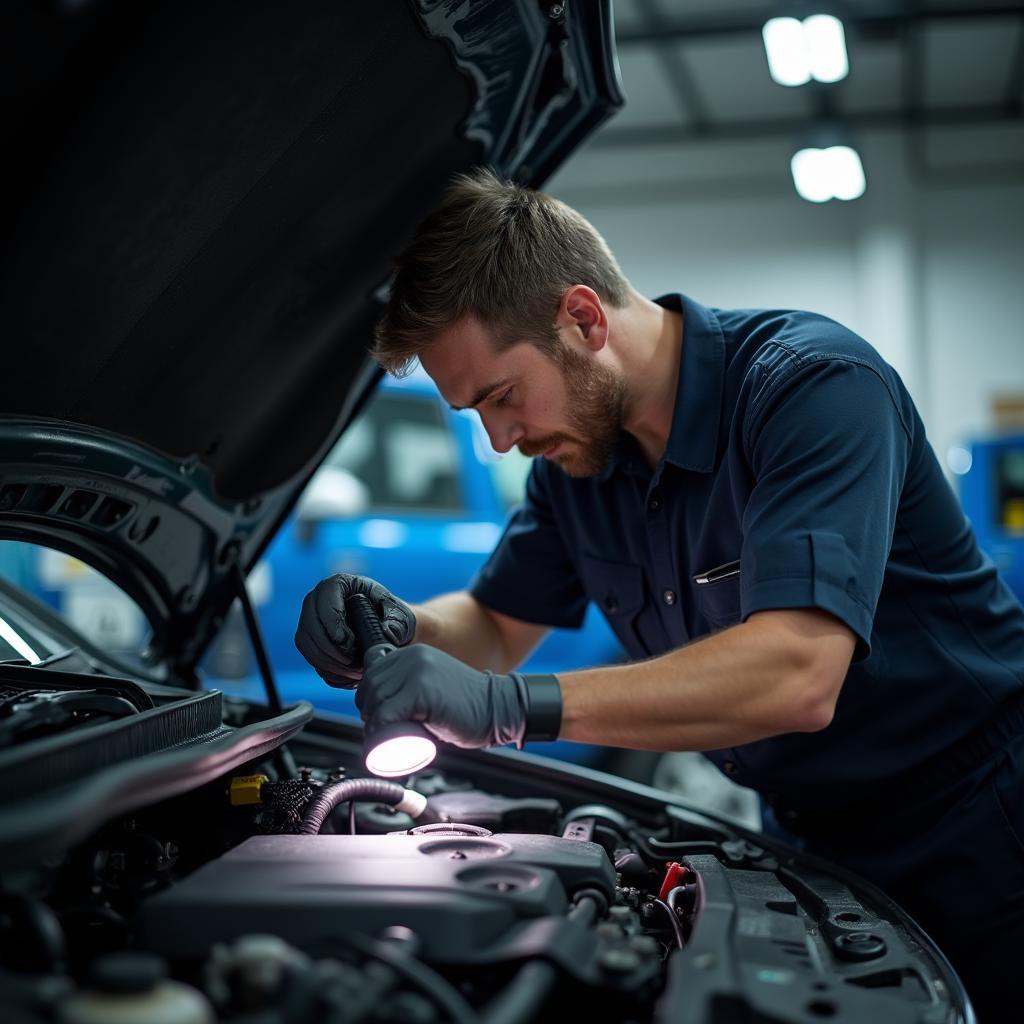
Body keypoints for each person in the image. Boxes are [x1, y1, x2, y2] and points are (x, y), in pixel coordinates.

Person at [295, 168, 1024, 1018]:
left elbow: (797, 672)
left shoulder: (811, 389)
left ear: (583, 319)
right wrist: (398, 623)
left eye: (500, 398)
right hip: (815, 843)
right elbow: (494, 626)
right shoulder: (580, 465)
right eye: (474, 416)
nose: (499, 440)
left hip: (982, 829)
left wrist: (506, 706)